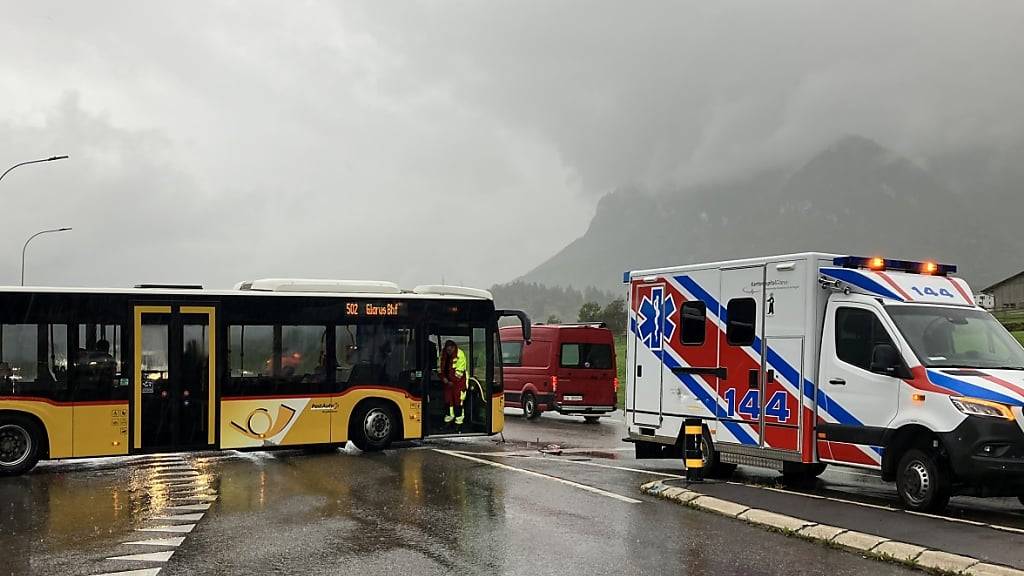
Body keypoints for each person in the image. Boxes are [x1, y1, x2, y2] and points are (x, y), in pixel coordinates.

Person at [440, 339, 468, 426]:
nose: (448, 352)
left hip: (458, 383)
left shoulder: (460, 354)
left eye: (450, 350)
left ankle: (459, 421)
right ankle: (449, 418)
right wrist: (443, 378)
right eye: (447, 350)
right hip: (447, 382)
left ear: (453, 347)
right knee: (448, 400)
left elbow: (459, 371)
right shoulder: (443, 354)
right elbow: (440, 367)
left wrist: (451, 381)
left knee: (458, 401)